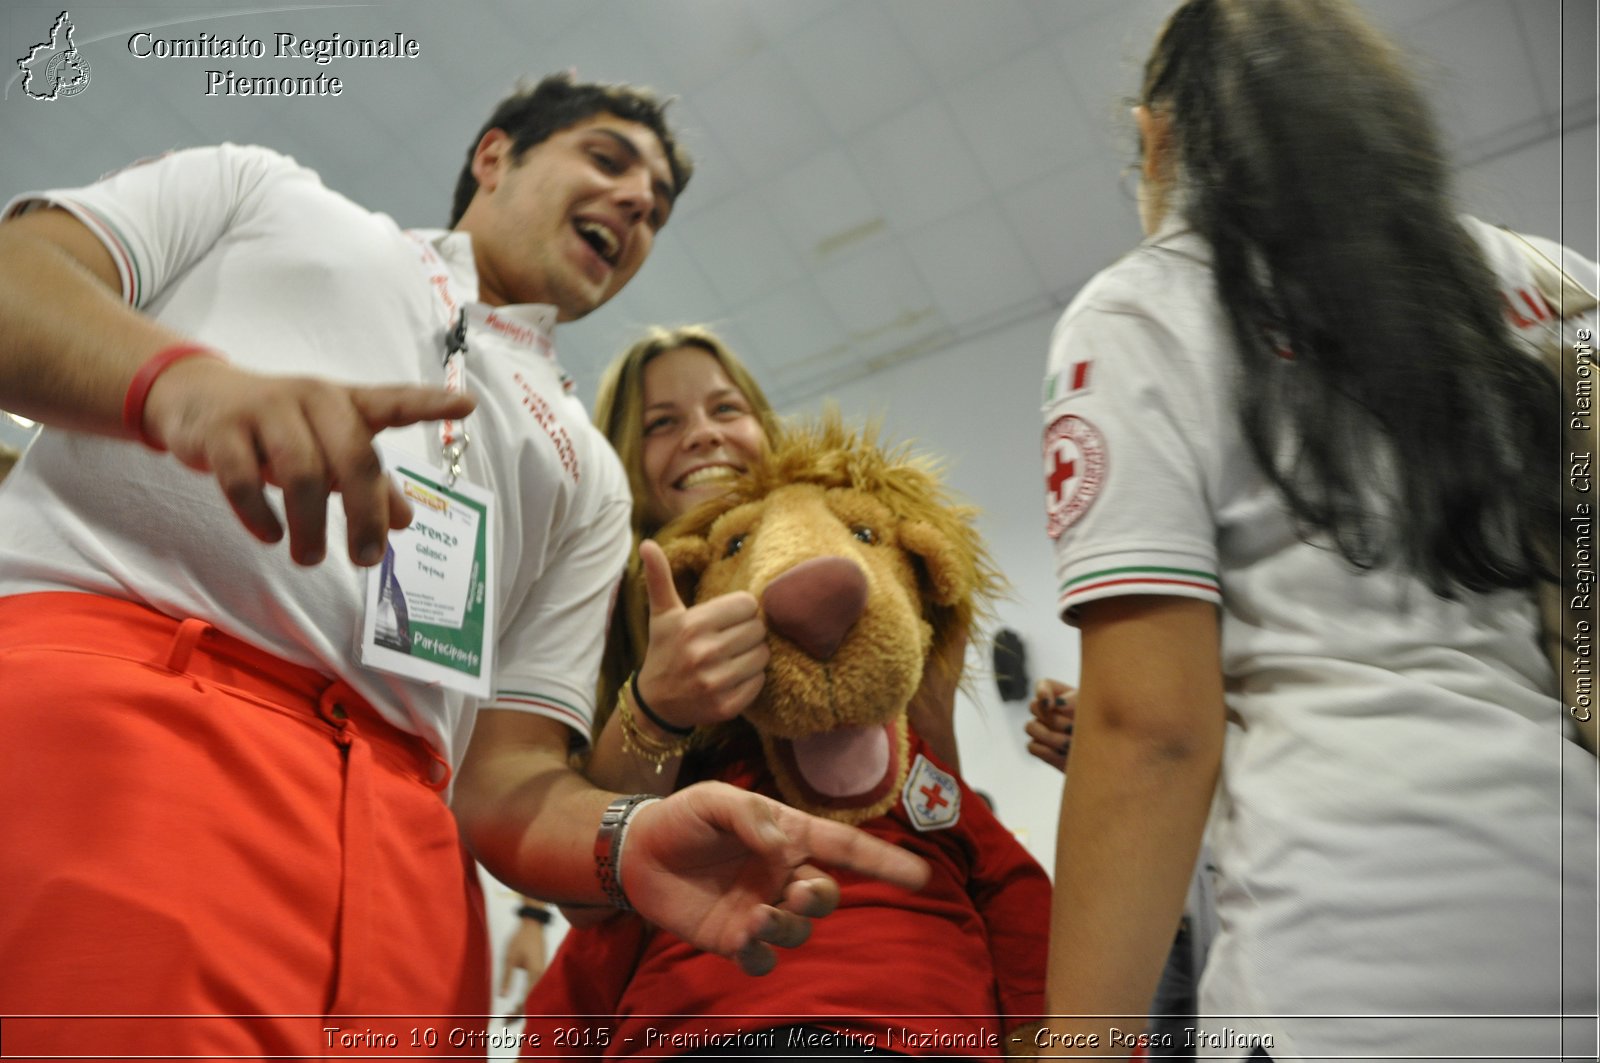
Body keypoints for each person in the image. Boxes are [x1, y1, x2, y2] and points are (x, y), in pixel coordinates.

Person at [0, 74, 925, 1059]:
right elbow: (20, 280)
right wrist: (175, 384)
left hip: (409, 873)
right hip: (123, 741)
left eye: (653, 207)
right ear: (494, 156)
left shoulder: (588, 470)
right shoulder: (262, 194)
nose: (632, 204)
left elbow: (508, 781)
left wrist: (619, 837)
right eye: (607, 161)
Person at [1037, 1, 1597, 1059]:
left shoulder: (1146, 309)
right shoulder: (1563, 292)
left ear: (1158, 137)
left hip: (1346, 955)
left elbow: (1150, 733)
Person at [515, 336, 1046, 1054]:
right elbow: (592, 894)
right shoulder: (589, 614)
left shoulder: (872, 598)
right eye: (661, 422)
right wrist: (656, 706)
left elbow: (949, 824)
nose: (702, 430)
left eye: (724, 407)